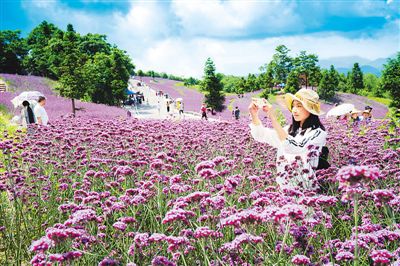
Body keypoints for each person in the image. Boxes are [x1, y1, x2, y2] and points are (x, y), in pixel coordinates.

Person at [249, 88, 327, 191]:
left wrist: (272, 117)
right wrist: (254, 115)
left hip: (306, 192)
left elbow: (295, 147)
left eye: (299, 106)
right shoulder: (289, 130)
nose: (294, 110)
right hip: (285, 189)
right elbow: (262, 135)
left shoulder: (318, 133)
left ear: (310, 109)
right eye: (293, 106)